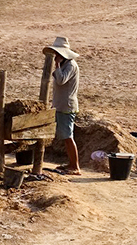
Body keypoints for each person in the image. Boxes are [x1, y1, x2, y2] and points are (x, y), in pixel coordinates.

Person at [46, 37, 80, 175]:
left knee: (68, 137)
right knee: (66, 136)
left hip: (66, 106)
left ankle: (75, 166)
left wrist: (57, 66)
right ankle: (71, 164)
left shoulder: (71, 65)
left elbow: (61, 80)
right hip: (61, 105)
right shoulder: (67, 64)